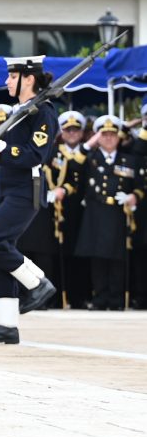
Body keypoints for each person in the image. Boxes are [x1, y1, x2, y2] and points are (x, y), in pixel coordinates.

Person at [0, 56, 60, 343]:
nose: (6, 81)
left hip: (26, 190)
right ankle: (7, 326)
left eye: (12, 77)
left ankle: (37, 282)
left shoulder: (43, 112)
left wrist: (3, 148)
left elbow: (36, 155)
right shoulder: (21, 111)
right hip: (5, 188)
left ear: (28, 78)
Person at [74, 115, 142, 310]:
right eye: (104, 134)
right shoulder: (90, 159)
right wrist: (89, 144)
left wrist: (133, 197)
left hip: (119, 213)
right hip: (96, 213)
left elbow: (140, 186)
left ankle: (117, 299)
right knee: (98, 257)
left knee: (117, 257)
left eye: (113, 134)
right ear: (98, 137)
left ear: (119, 137)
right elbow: (73, 165)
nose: (109, 138)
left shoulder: (128, 160)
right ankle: (100, 298)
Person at [54, 111, 90, 308]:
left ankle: (80, 296)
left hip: (82, 210)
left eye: (76, 130)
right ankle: (60, 295)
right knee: (60, 253)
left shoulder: (88, 152)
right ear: (62, 132)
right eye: (68, 130)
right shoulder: (54, 152)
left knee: (81, 253)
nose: (72, 133)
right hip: (59, 209)